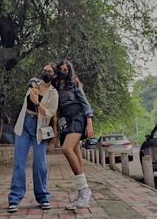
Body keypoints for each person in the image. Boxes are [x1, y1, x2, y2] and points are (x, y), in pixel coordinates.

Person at [8, 62, 58, 213]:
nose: (46, 72)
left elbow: (50, 113)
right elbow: (32, 80)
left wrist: (37, 103)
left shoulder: (53, 93)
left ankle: (43, 198)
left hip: (40, 128)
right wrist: (33, 86)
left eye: (49, 71)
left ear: (54, 75)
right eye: (45, 70)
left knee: (39, 164)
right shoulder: (34, 83)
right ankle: (14, 199)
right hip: (24, 125)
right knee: (19, 163)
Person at [56, 59, 94, 210]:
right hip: (66, 121)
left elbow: (85, 103)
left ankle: (85, 191)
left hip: (78, 117)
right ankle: (81, 194)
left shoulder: (75, 84)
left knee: (66, 149)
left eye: (66, 69)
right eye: (61, 69)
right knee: (77, 158)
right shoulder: (56, 86)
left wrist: (89, 123)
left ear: (69, 71)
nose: (63, 71)